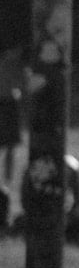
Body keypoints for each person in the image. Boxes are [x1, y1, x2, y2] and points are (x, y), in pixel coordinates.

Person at [1, 44, 27, 190]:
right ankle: (7, 180)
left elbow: (22, 86)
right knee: (8, 145)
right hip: (6, 104)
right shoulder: (9, 65)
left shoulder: (15, 66)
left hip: (10, 104)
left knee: (10, 146)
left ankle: (7, 181)